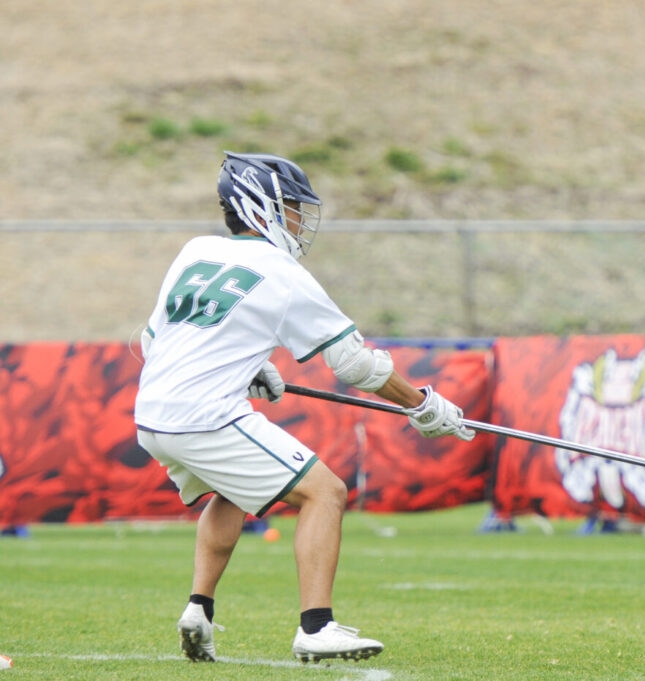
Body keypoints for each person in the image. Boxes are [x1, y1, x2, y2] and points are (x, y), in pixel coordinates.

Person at [134, 151, 475, 664]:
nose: (299, 218)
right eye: (292, 206)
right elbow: (355, 363)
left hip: (152, 414)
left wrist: (248, 366)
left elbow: (153, 340)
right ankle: (316, 628)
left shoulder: (196, 251)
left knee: (232, 491)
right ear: (262, 205)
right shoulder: (281, 270)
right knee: (325, 492)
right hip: (205, 417)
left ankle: (198, 611)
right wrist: (421, 404)